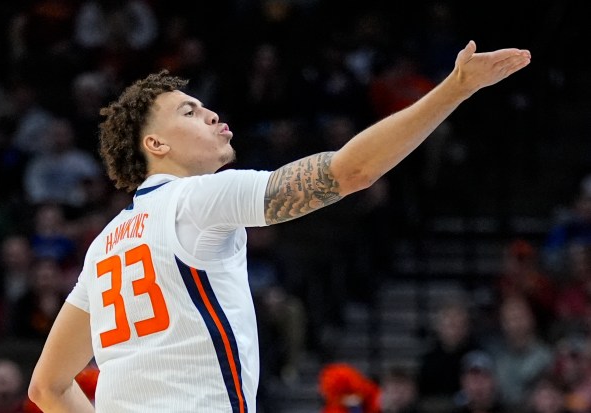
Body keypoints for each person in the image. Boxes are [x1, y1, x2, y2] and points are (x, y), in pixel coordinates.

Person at [28, 40, 531, 412]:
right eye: (189, 111)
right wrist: (455, 89)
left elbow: (47, 387)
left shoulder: (104, 245)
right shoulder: (196, 198)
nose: (211, 114)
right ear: (156, 146)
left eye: (204, 105)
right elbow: (350, 171)